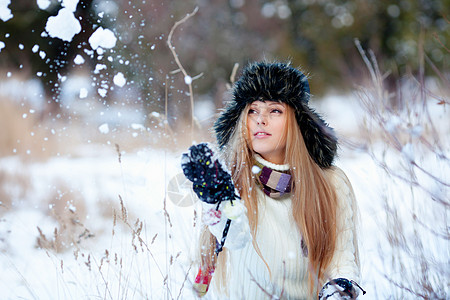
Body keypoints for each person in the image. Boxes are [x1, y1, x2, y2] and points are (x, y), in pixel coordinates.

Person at [181, 61, 364, 299]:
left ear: (296, 121)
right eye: (253, 110)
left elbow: (341, 259)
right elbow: (235, 237)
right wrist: (221, 204)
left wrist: (341, 288)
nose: (261, 119)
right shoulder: (231, 181)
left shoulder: (328, 182)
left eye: (275, 110)